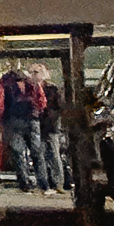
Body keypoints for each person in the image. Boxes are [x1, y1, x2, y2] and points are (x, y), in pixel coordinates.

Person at [0, 64, 44, 193]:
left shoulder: (4, 84)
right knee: (37, 152)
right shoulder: (33, 84)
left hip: (13, 120)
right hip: (32, 119)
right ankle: (43, 182)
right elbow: (42, 101)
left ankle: (24, 181)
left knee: (18, 152)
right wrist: (37, 112)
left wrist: (0, 119)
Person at [31, 62, 67, 195]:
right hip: (37, 125)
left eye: (37, 72)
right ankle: (43, 183)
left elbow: (59, 106)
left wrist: (54, 120)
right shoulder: (30, 90)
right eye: (32, 72)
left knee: (54, 154)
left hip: (51, 125)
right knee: (39, 155)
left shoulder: (52, 89)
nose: (34, 75)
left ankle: (58, 182)